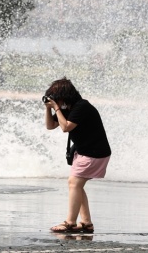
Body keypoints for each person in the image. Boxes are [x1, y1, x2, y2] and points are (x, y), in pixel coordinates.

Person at [44, 77, 111, 234]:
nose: (55, 101)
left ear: (65, 95)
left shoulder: (82, 107)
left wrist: (57, 109)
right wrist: (49, 109)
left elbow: (66, 127)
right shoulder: (67, 108)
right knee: (77, 186)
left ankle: (70, 223)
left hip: (94, 153)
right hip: (84, 152)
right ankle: (86, 223)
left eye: (56, 97)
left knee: (74, 183)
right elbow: (50, 126)